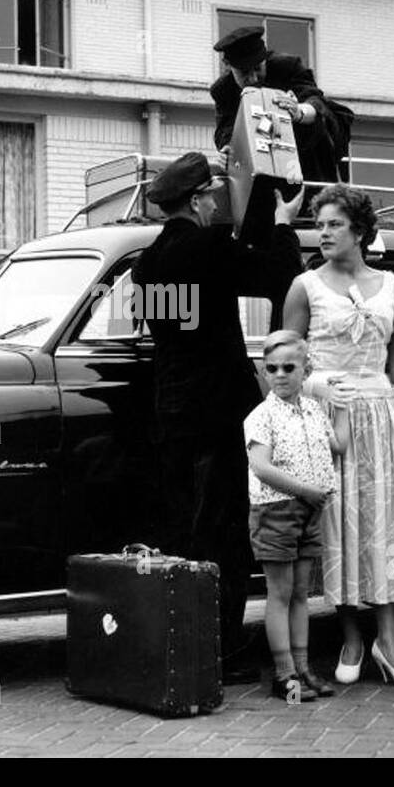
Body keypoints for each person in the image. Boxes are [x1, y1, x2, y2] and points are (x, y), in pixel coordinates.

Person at [131, 151, 304, 685]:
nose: (215, 202)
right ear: (198, 200)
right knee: (226, 531)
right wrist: (280, 225)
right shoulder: (208, 247)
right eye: (211, 195)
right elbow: (279, 278)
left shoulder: (147, 264)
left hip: (173, 409)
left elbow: (174, 331)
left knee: (183, 528)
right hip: (221, 410)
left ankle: (182, 641)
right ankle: (222, 650)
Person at [284, 184, 394, 688]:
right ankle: (351, 638)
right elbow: (287, 361)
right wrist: (319, 388)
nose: (322, 233)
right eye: (319, 224)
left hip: (382, 415)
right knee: (339, 525)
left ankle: (389, 643)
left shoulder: (392, 286)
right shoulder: (305, 286)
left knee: (383, 524)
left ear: (360, 231)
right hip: (330, 419)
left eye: (333, 224)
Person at [245, 330, 348, 701]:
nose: (281, 374)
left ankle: (303, 668)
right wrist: (306, 491)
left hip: (308, 510)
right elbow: (261, 466)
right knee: (280, 592)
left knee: (302, 592)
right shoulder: (262, 416)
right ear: (264, 372)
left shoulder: (313, 410)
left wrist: (343, 404)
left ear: (306, 369)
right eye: (272, 368)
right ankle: (283, 674)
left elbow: (338, 446)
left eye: (290, 367)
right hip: (276, 510)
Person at [210, 26, 348, 185]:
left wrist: (299, 111)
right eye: (244, 73)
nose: (254, 78)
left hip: (307, 151)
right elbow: (225, 130)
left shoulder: (288, 66)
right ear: (228, 66)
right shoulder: (223, 90)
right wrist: (228, 149)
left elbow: (315, 100)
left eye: (258, 68)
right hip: (262, 161)